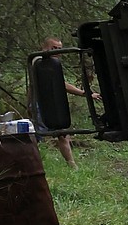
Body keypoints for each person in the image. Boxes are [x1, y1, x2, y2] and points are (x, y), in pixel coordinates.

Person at [31, 36, 100, 169]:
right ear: (44, 47)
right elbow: (62, 85)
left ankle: (71, 165)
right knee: (38, 136)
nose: (56, 51)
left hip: (52, 103)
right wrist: (85, 94)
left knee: (62, 134)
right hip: (42, 104)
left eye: (59, 49)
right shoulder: (41, 62)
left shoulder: (50, 63)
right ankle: (35, 165)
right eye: (53, 48)